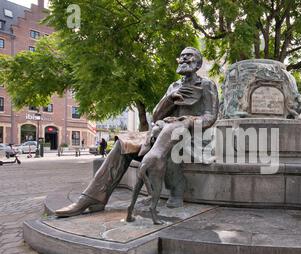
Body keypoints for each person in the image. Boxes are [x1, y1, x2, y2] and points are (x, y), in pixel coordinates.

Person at [55, 47, 219, 218]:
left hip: (192, 136)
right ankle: (92, 198)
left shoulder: (206, 84)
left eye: (189, 56)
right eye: (182, 56)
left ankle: (176, 190)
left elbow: (210, 116)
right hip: (163, 131)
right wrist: (170, 99)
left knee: (172, 141)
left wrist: (187, 121)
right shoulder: (174, 86)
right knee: (123, 144)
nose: (184, 59)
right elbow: (156, 115)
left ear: (198, 62)